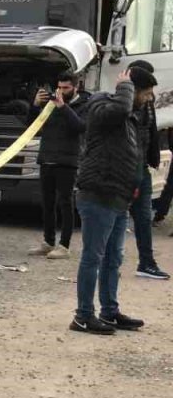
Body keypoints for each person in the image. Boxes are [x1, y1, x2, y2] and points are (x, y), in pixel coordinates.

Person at [71, 69, 149, 335]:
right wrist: (125, 86)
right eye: (146, 93)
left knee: (113, 259)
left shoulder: (128, 117)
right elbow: (118, 110)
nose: (149, 99)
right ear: (131, 90)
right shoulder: (102, 107)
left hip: (118, 197)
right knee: (93, 257)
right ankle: (82, 316)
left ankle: (110, 312)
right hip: (98, 194)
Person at [27, 73, 88, 259]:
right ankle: (48, 241)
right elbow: (32, 126)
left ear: (76, 87)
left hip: (67, 161)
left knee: (66, 203)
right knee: (47, 203)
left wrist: (63, 107)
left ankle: (64, 245)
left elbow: (80, 127)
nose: (61, 91)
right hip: (47, 158)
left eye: (66, 88)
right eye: (59, 87)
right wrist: (35, 105)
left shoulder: (84, 104)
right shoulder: (50, 103)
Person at [126, 60, 169, 279]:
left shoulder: (148, 104)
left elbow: (150, 133)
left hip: (141, 168)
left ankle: (146, 262)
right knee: (114, 220)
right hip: (122, 172)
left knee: (143, 217)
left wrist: (152, 159)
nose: (151, 95)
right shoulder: (120, 105)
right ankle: (104, 261)